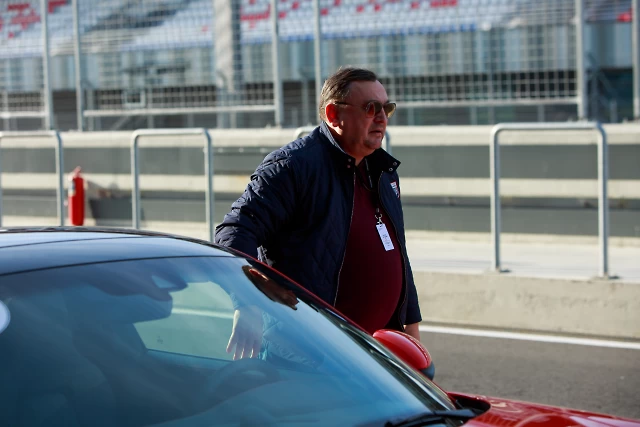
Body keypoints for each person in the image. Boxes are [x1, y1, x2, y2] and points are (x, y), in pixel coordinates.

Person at [215, 67, 422, 359]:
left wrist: (411, 332)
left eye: (386, 108)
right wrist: (248, 301)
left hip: (376, 359)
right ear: (334, 114)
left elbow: (398, 255)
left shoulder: (382, 171)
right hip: (309, 353)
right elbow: (235, 230)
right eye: (370, 108)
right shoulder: (293, 166)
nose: (382, 118)